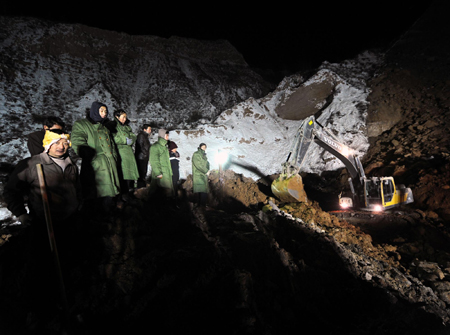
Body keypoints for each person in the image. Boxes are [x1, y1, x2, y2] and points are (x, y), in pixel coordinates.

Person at [3, 129, 81, 327]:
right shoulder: (32, 164)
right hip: (44, 223)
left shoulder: (71, 164)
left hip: (69, 222)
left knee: (68, 263)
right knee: (42, 267)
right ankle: (40, 311)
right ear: (47, 145)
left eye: (64, 143)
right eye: (56, 143)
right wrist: (20, 213)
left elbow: (76, 190)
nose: (61, 146)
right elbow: (11, 190)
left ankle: (67, 302)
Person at [71, 101, 121, 209]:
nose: (104, 114)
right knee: (96, 195)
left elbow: (111, 144)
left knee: (110, 194)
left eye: (105, 111)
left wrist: (115, 157)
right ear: (94, 111)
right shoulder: (81, 124)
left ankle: (110, 216)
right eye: (101, 111)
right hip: (95, 165)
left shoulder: (105, 127)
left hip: (109, 165)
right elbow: (77, 141)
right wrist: (90, 155)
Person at [108, 109, 139, 196]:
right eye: (123, 117)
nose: (125, 119)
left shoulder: (126, 126)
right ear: (117, 117)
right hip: (120, 151)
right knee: (123, 172)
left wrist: (131, 140)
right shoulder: (113, 126)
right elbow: (113, 137)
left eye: (125, 117)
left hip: (129, 152)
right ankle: (123, 193)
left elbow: (133, 135)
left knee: (130, 172)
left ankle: (130, 190)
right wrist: (124, 140)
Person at [148, 129, 173, 197]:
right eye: (166, 135)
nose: (168, 137)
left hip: (166, 172)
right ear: (162, 135)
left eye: (168, 135)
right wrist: (158, 173)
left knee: (167, 192)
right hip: (161, 174)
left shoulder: (164, 146)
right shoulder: (155, 147)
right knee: (161, 192)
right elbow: (154, 161)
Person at [192, 143, 210, 207]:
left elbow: (206, 164)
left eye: (205, 147)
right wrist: (206, 171)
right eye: (203, 147)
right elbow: (198, 164)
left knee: (203, 190)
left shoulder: (204, 155)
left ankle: (201, 205)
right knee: (202, 191)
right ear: (200, 147)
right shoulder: (196, 154)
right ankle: (201, 206)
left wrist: (208, 170)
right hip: (199, 174)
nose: (204, 148)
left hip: (203, 174)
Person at [135, 124, 152, 188]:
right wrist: (145, 153)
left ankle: (142, 186)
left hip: (144, 157)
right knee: (141, 173)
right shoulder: (141, 136)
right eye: (149, 129)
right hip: (141, 157)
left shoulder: (145, 136)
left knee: (143, 172)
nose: (150, 131)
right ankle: (140, 187)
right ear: (145, 129)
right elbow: (141, 146)